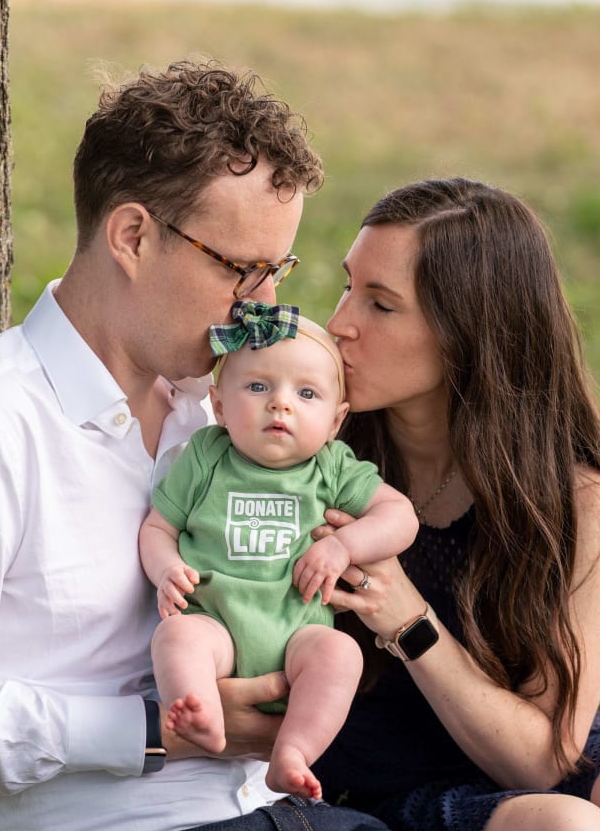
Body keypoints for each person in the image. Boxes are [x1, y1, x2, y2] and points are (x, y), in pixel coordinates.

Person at [0, 61, 386, 831]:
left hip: (283, 810)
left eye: (276, 271)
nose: (264, 307)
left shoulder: (223, 411)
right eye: (243, 270)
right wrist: (155, 736)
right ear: (132, 236)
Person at [309, 178, 600, 831]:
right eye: (348, 286)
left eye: (381, 305)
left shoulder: (575, 501)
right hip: (390, 787)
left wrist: (409, 620)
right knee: (570, 827)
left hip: (533, 750)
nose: (339, 325)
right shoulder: (315, 462)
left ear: (466, 333)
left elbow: (544, 759)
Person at [141, 306, 418, 801]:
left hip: (297, 635)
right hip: (217, 623)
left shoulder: (332, 468)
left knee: (340, 654)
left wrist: (343, 545)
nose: (280, 405)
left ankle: (292, 751)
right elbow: (158, 527)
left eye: (306, 394)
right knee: (178, 636)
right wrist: (166, 569)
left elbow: (400, 517)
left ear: (335, 421)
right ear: (219, 405)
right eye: (258, 387)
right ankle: (200, 714)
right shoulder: (207, 455)